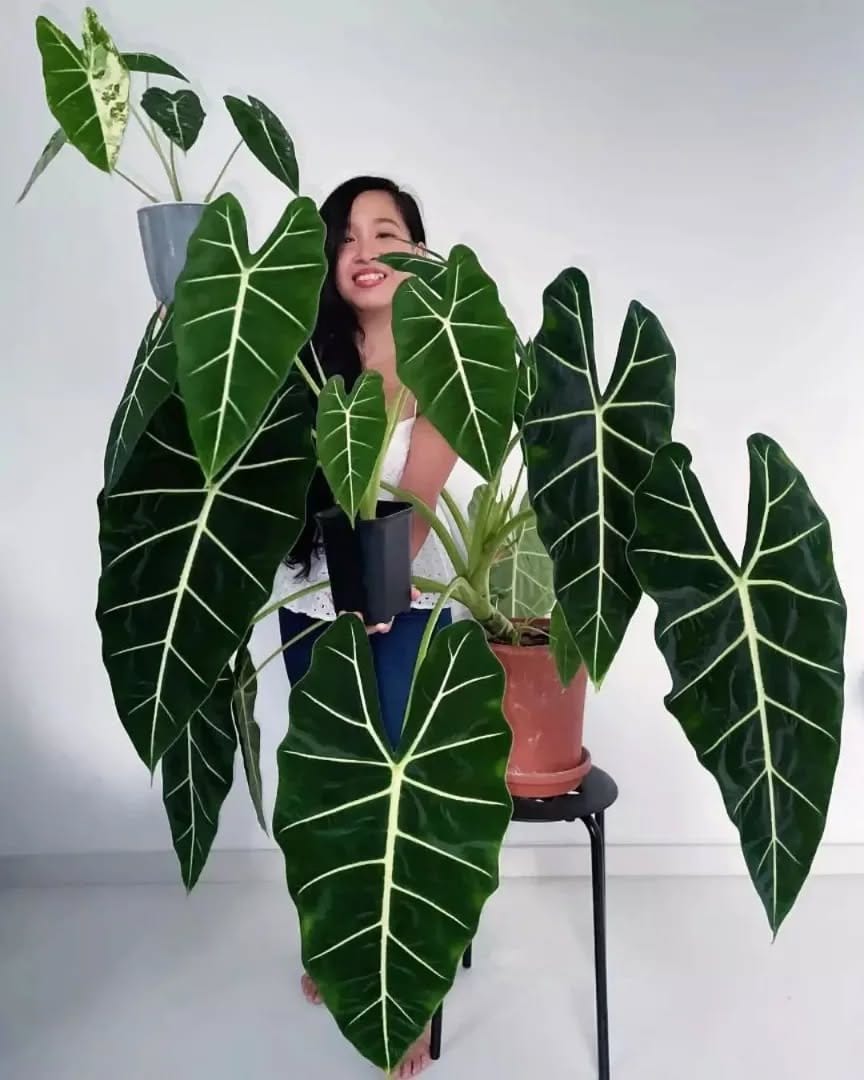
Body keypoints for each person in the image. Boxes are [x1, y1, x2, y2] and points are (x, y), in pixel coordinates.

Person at [271, 176, 458, 1078]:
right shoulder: (306, 364)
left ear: (421, 252)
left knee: (401, 784)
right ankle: (336, 941)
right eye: (346, 235)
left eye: (387, 231)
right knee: (332, 778)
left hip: (404, 603)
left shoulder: (453, 365)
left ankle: (404, 993)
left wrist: (374, 592)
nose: (366, 248)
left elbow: (413, 512)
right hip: (309, 601)